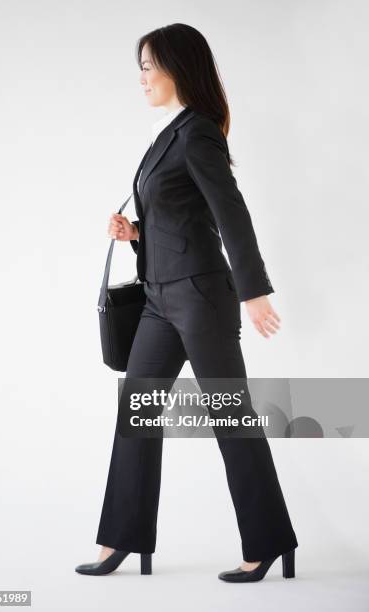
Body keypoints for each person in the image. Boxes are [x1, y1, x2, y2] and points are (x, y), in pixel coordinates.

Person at [75, 23, 298, 582]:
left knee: (229, 417)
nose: (142, 78)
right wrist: (136, 233)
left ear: (177, 67)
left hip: (201, 298)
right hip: (158, 300)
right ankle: (123, 539)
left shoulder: (196, 133)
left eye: (149, 66)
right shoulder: (165, 135)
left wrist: (253, 292)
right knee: (138, 413)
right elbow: (183, 217)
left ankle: (268, 541)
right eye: (141, 67)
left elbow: (230, 215)